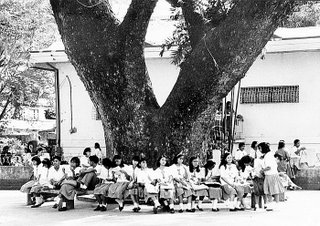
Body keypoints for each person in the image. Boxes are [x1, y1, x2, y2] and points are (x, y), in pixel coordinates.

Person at [259, 142, 285, 211]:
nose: (259, 150)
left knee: (270, 191)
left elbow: (269, 167)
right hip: (272, 174)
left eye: (260, 148)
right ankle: (275, 204)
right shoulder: (270, 154)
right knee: (273, 190)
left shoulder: (267, 156)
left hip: (270, 175)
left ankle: (272, 204)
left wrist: (262, 170)